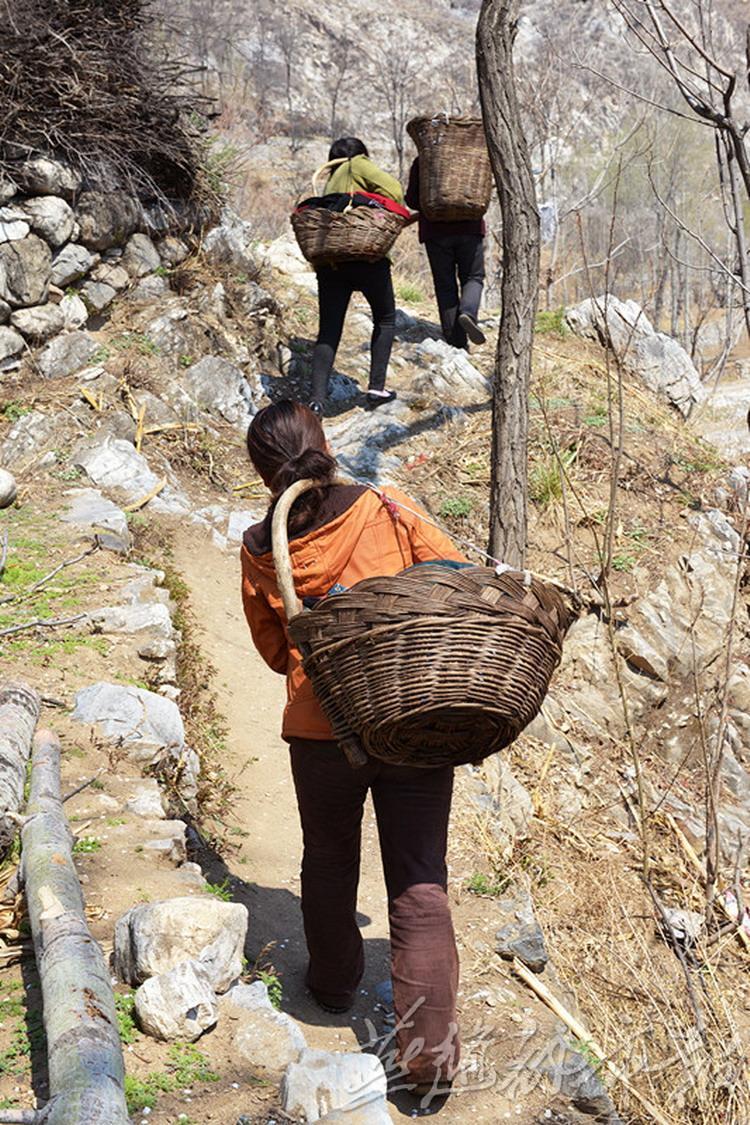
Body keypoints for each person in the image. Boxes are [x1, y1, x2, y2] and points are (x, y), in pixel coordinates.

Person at [240, 400, 466, 1093]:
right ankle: (429, 1057)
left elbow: (277, 651)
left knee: (329, 858)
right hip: (410, 717)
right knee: (420, 877)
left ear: (261, 470)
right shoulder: (385, 507)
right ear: (325, 441)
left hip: (320, 731)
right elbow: (457, 577)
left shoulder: (259, 544)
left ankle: (334, 986)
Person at [308, 137, 404, 416]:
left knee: (329, 330)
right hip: (365, 255)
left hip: (331, 262)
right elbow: (395, 190)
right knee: (385, 318)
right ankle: (376, 388)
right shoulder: (357, 164)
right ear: (360, 153)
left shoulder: (330, 180)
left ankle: (316, 400)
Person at [405, 156, 486, 349]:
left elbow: (413, 200)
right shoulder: (473, 156)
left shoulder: (423, 160)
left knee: (445, 285)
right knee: (473, 277)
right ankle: (468, 312)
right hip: (469, 227)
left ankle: (456, 343)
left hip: (435, 231)